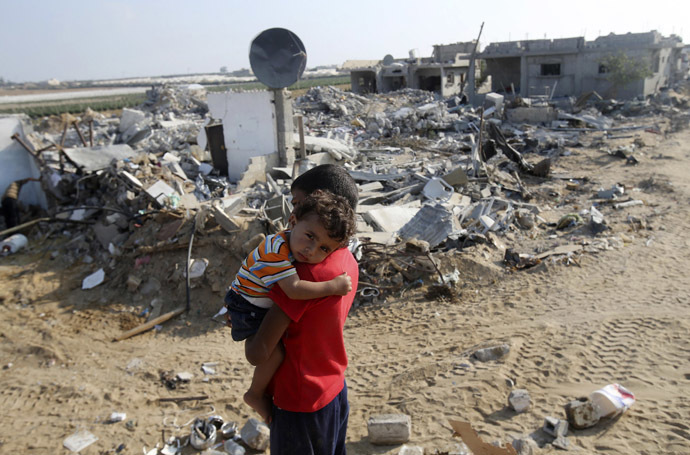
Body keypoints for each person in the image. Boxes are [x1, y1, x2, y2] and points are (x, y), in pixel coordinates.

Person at [242, 164, 360, 455]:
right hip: (333, 389)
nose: (290, 214)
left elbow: (258, 351)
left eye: (296, 203)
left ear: (319, 202)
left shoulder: (305, 277)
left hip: (299, 402)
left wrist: (243, 326)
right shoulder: (345, 261)